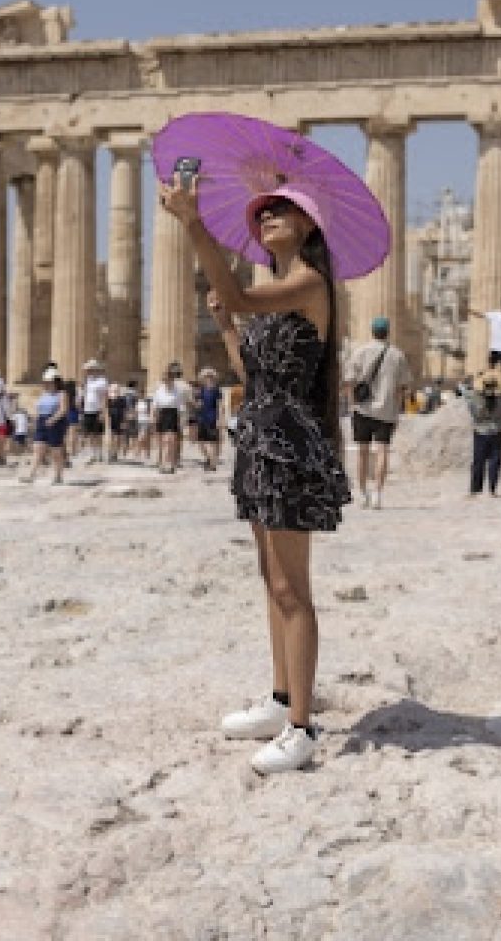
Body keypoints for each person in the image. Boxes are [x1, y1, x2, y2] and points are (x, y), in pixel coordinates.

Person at [161, 173, 351, 776]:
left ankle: (302, 726)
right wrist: (224, 325)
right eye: (260, 213)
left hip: (292, 443)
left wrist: (194, 223)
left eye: (280, 210)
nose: (265, 217)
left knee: (294, 587)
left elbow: (245, 301)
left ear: (309, 224)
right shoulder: (278, 288)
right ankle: (278, 701)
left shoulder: (311, 283)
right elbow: (253, 364)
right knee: (271, 580)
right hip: (259, 438)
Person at [343, 315, 412, 510]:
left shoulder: (360, 352)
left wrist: (352, 404)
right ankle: (378, 494)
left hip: (362, 410)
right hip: (387, 410)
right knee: (382, 452)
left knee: (362, 453)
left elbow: (349, 381)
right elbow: (403, 387)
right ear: (388, 332)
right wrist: (397, 410)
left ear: (372, 332)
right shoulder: (397, 355)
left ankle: (362, 493)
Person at [464, 369, 501, 497]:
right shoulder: (500, 399)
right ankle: (492, 489)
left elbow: (466, 394)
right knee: (495, 461)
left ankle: (475, 489)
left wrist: (477, 381)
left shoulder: (476, 399)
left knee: (478, 461)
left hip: (480, 432)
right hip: (497, 432)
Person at [23, 368, 69, 484]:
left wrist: (53, 419)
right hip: (42, 421)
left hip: (55, 422)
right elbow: (39, 408)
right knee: (37, 449)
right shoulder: (43, 394)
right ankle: (31, 475)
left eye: (49, 382)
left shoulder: (61, 394)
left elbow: (63, 409)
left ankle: (58, 475)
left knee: (55, 451)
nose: (46, 384)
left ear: (56, 381)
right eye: (45, 382)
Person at [152, 364, 183, 474]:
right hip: (162, 414)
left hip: (172, 415)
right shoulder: (159, 390)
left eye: (169, 378)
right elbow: (155, 406)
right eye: (164, 379)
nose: (166, 380)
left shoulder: (177, 391)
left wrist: (180, 421)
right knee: (162, 442)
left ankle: (171, 464)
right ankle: (161, 463)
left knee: (170, 440)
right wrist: (154, 419)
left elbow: (180, 407)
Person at [81, 359, 108, 464]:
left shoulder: (102, 381)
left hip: (97, 410)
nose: (88, 371)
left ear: (95, 370)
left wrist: (102, 411)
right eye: (88, 370)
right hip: (88, 409)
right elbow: (85, 395)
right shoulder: (87, 381)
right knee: (90, 433)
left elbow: (104, 397)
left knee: (98, 433)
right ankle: (92, 453)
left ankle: (99, 452)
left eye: (90, 369)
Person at [196, 368, 223, 471]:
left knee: (212, 442)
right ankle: (209, 459)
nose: (208, 378)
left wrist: (220, 419)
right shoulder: (201, 390)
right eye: (206, 376)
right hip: (202, 418)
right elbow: (199, 404)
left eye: (210, 376)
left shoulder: (216, 390)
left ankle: (212, 464)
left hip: (212, 418)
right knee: (201, 442)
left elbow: (220, 406)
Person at [105, 382, 127, 463]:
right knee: (110, 437)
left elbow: (124, 411)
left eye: (116, 389)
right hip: (111, 419)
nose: (115, 391)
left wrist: (124, 421)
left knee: (117, 438)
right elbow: (106, 409)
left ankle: (115, 453)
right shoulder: (109, 399)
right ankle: (110, 453)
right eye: (113, 389)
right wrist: (107, 419)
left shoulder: (122, 399)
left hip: (119, 419)